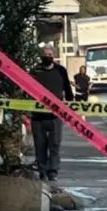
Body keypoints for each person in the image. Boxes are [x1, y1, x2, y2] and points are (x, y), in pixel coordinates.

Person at [29, 44, 73, 181]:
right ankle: (42, 170)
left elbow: (67, 88)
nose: (48, 57)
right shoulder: (35, 71)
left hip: (56, 115)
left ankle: (52, 171)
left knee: (55, 144)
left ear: (54, 56)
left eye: (50, 55)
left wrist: (71, 104)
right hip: (38, 116)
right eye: (45, 55)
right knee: (40, 145)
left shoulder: (61, 71)